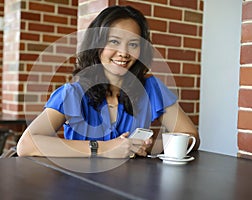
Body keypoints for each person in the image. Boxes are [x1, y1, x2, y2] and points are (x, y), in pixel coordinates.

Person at [17, 5, 200, 158]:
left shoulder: (152, 89)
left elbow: (191, 137)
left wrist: (144, 146)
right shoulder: (72, 93)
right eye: (114, 41)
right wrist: (105, 149)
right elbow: (27, 144)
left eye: (133, 44)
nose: (124, 52)